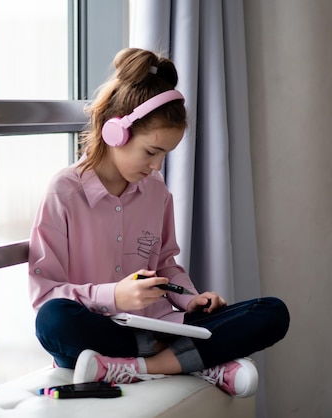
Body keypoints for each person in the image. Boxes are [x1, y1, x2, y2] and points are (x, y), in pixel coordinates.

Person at [29, 48, 289, 398]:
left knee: (272, 312)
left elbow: (166, 262)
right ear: (115, 131)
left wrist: (190, 300)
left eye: (165, 155)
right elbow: (45, 296)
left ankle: (135, 368)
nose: (156, 167)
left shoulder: (155, 190)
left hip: (161, 328)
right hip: (101, 331)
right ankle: (201, 363)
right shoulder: (65, 192)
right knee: (53, 321)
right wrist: (114, 296)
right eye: (151, 152)